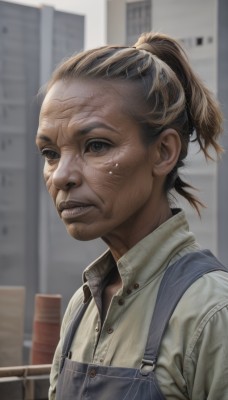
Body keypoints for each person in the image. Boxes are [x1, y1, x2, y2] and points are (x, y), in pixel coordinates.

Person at [36, 32, 228, 400]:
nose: (61, 175)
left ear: (162, 153)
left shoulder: (212, 314)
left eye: (96, 145)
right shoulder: (82, 307)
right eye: (49, 152)